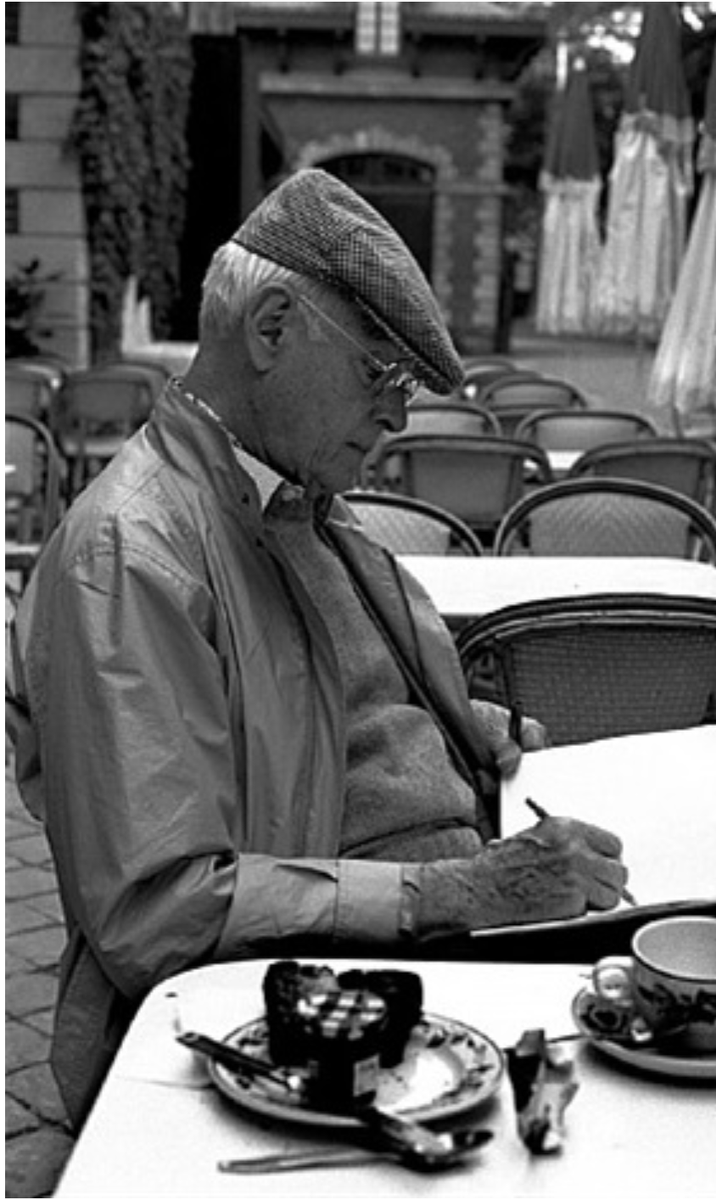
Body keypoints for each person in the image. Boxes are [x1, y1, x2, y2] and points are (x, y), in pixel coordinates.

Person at [9, 169, 628, 1128]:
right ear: (271, 329)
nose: (401, 416)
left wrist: (480, 733)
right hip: (297, 1029)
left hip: (434, 952)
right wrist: (456, 889)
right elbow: (155, 912)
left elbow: (309, 700)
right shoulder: (132, 552)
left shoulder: (294, 501)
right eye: (381, 374)